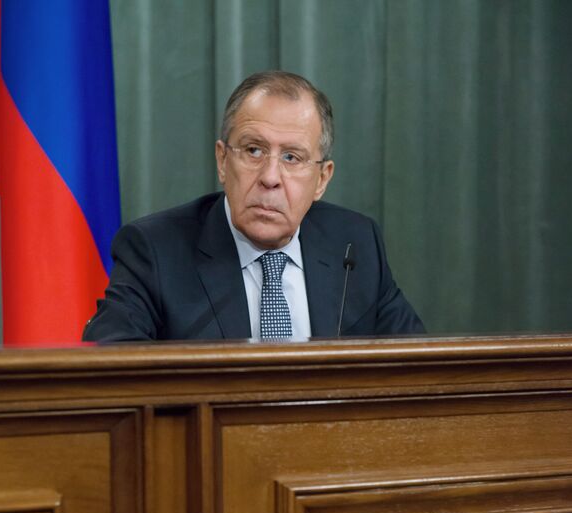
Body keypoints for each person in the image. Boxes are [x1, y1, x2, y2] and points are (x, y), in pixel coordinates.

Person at [83, 71, 424, 343]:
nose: (270, 177)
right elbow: (113, 367)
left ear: (322, 179)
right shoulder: (155, 251)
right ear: (222, 161)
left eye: (292, 157)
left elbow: (420, 367)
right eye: (254, 151)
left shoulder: (355, 244)